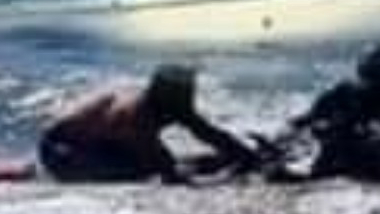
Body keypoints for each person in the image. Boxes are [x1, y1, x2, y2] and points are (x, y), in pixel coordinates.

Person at [37, 64, 260, 184]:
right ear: (169, 93)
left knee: (173, 162)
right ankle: (36, 174)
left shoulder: (172, 104)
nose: (192, 94)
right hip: (60, 151)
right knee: (143, 171)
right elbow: (168, 172)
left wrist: (245, 154)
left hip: (99, 142)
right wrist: (223, 176)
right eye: (188, 90)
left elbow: (207, 132)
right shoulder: (138, 115)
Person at [284, 44, 380, 183]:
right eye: (375, 73)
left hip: (375, 169)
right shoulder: (342, 93)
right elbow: (306, 121)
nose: (376, 81)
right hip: (339, 162)